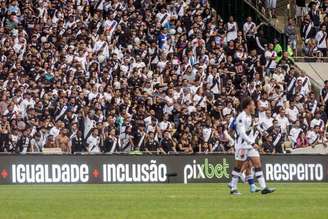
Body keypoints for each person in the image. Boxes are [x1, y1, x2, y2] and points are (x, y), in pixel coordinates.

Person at [229, 97, 275, 195]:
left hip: (250, 145)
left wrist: (263, 133)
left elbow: (254, 127)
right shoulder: (241, 117)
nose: (255, 107)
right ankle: (233, 187)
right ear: (248, 106)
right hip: (241, 145)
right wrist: (253, 143)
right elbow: (241, 133)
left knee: (257, 164)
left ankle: (264, 187)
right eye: (253, 105)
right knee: (238, 167)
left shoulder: (250, 116)